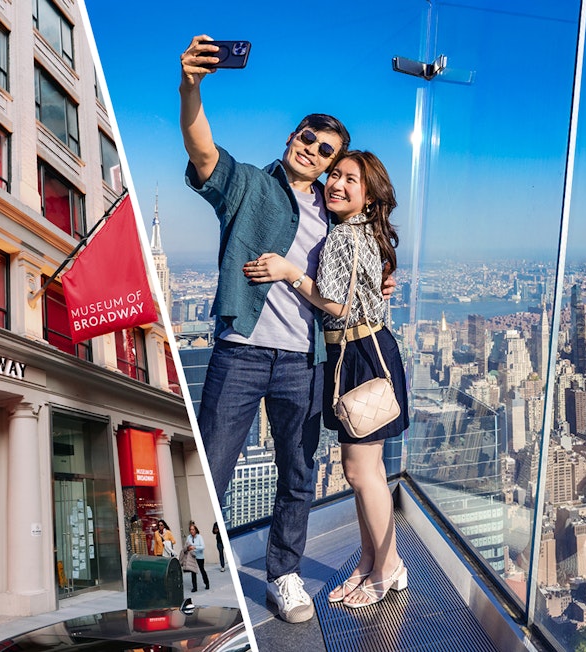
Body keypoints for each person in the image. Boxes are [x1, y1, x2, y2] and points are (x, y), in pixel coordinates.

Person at [180, 34, 349, 624]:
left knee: (299, 474)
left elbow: (343, 291)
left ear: (331, 164)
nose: (313, 151)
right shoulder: (250, 185)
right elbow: (203, 154)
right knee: (213, 469)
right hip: (242, 353)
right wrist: (192, 86)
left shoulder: (338, 221)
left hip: (303, 361)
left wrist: (376, 279)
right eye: (309, 138)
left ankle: (284, 575)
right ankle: (194, 575)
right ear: (291, 137)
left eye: (325, 150)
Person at [245, 151, 410, 608]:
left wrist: (288, 271)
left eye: (350, 179)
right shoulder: (358, 233)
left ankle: (387, 565)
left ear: (370, 196)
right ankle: (370, 560)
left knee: (360, 473)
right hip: (367, 351)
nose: (336, 183)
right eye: (334, 175)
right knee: (368, 471)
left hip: (359, 355)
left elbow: (335, 304)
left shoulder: (343, 237)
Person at [184, 522, 210, 592]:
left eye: (193, 529)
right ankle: (194, 587)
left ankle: (207, 583)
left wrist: (194, 547)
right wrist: (188, 548)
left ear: (196, 530)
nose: (192, 531)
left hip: (199, 556)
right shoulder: (188, 537)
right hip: (192, 556)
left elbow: (202, 547)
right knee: (193, 572)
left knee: (202, 570)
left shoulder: (199, 537)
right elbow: (186, 545)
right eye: (190, 530)